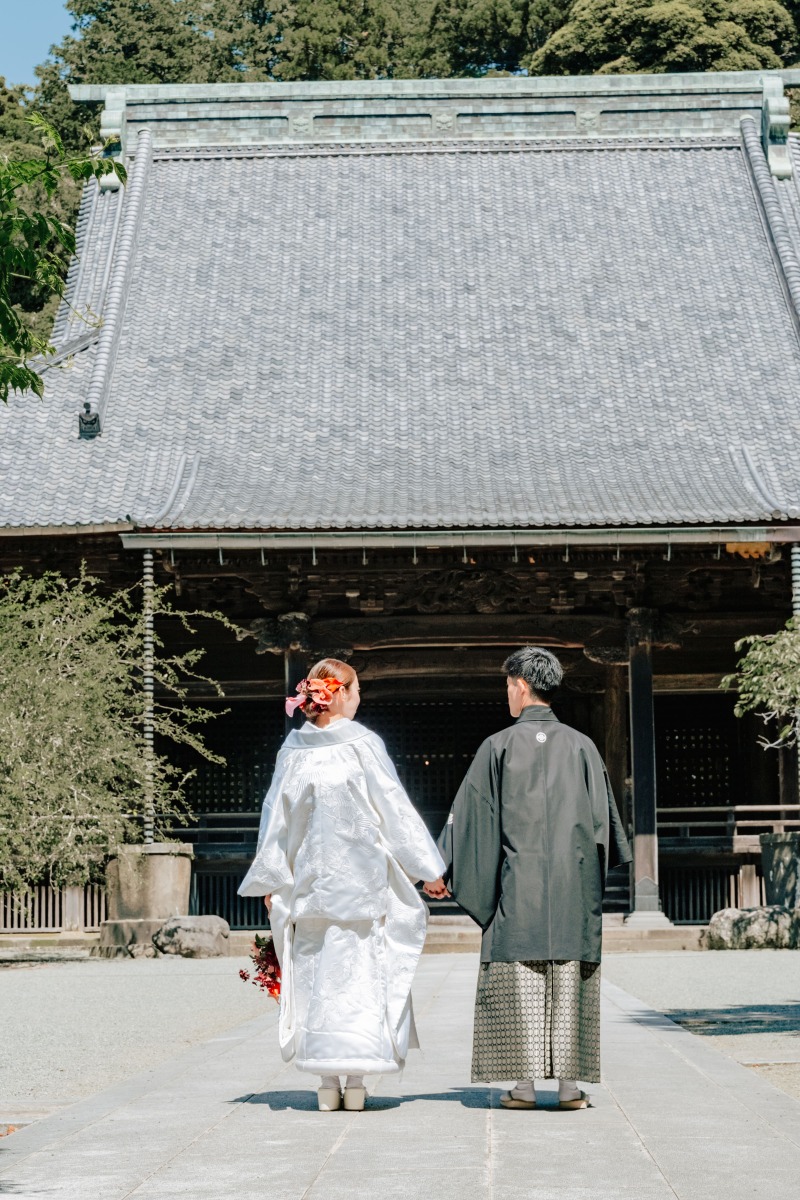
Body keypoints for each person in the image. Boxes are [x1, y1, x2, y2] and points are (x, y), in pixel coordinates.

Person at [426, 646, 631, 1111]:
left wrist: (441, 868)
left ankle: (522, 1087)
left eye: (507, 687)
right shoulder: (583, 746)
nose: (507, 695)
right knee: (568, 976)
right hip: (573, 886)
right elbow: (605, 826)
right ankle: (569, 1089)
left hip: (517, 886)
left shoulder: (497, 746)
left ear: (520, 686)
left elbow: (470, 815)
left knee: (520, 978)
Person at [239, 658, 448, 1112]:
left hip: (312, 884)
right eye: (357, 691)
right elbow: (393, 807)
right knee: (360, 978)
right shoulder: (362, 744)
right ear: (340, 692)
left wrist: (273, 878)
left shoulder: (293, 750)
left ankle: (326, 1083)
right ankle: (356, 1082)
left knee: (318, 979)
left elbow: (276, 816)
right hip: (362, 883)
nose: (360, 699)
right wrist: (428, 869)